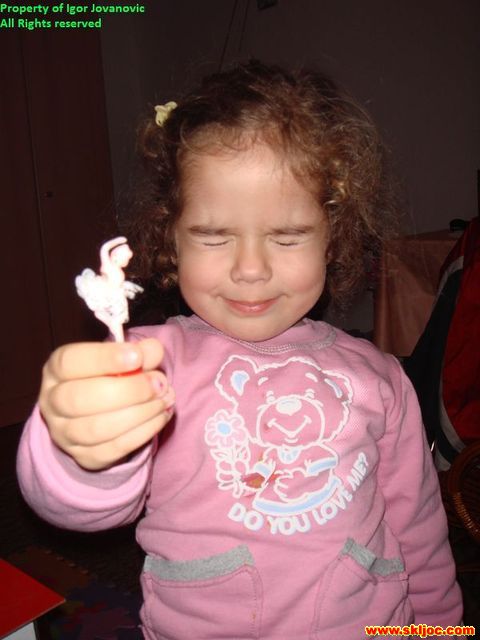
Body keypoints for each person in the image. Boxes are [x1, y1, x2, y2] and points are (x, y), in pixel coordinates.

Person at [17, 60, 462, 639]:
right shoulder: (149, 364)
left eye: (287, 236)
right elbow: (78, 507)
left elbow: (419, 529)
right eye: (213, 236)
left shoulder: (380, 378)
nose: (250, 269)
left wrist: (437, 631)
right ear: (173, 239)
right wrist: (78, 448)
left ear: (333, 240)